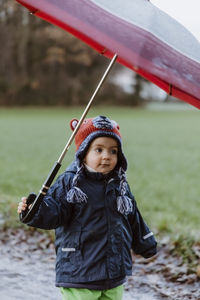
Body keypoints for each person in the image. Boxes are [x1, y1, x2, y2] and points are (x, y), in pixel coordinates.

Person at [18, 115, 157, 300]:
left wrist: (145, 242)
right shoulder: (70, 183)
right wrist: (34, 209)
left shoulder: (120, 185)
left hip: (114, 271)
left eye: (113, 151)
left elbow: (132, 216)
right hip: (80, 272)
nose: (106, 156)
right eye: (98, 150)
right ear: (83, 152)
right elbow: (55, 212)